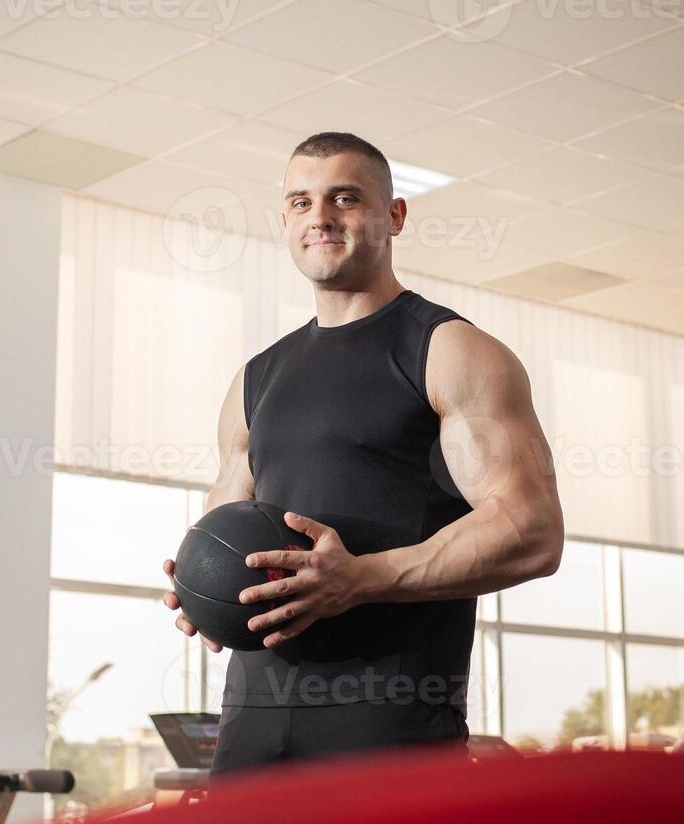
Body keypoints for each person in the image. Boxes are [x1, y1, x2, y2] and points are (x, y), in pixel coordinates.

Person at [162, 132, 564, 776]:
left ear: (394, 216)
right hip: (251, 727)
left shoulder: (449, 351)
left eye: (343, 198)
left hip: (391, 730)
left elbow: (532, 530)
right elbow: (224, 526)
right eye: (300, 202)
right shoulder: (256, 378)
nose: (318, 217)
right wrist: (200, 589)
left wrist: (361, 578)